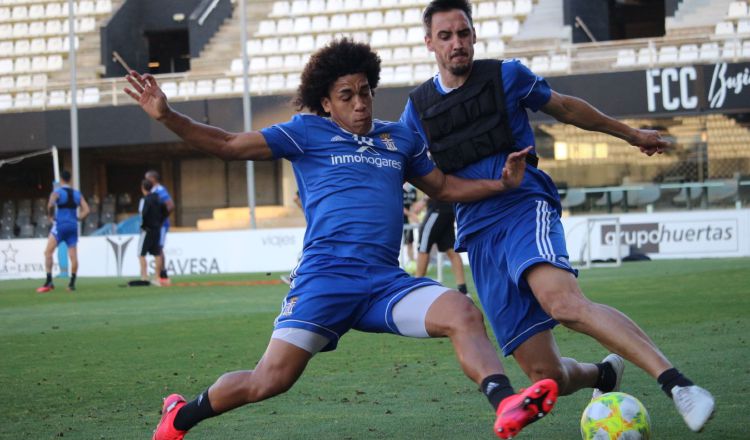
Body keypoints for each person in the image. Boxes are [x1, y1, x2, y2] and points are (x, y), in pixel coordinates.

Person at [125, 38, 557, 440]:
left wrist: (502, 185)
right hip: (325, 280)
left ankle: (504, 403)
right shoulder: (305, 132)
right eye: (346, 96)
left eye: (365, 91)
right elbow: (229, 144)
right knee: (269, 380)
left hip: (386, 283)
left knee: (462, 312)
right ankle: (180, 416)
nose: (360, 104)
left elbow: (444, 189)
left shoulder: (398, 138)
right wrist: (166, 115)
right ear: (326, 103)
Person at [400, 0, 714, 433]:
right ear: (429, 43)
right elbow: (411, 169)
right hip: (477, 235)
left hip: (524, 208)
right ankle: (603, 375)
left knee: (565, 304)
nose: (458, 44)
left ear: (474, 35)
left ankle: (678, 385)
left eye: (464, 33)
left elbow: (566, 108)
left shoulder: (507, 75)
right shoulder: (416, 109)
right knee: (547, 377)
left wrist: (633, 134)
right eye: (447, 36)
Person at [36, 170, 90, 293]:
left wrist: (50, 216)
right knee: (73, 256)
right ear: (70, 179)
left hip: (60, 226)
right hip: (72, 226)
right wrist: (77, 218)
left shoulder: (57, 192)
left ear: (61, 179)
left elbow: (50, 205)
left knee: (48, 252)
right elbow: (87, 210)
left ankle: (49, 281)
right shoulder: (77, 194)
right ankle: (71, 284)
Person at [412, 194, 468, 294]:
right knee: (451, 250)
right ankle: (463, 291)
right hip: (449, 208)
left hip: (437, 208)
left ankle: (416, 289)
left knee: (423, 247)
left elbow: (435, 180)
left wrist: (423, 200)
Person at [145, 169, 174, 285]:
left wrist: (161, 218)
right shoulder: (154, 191)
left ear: (153, 179)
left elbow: (170, 205)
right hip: (157, 225)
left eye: (147, 178)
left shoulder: (160, 190)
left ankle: (163, 275)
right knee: (158, 248)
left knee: (158, 248)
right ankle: (162, 274)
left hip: (161, 225)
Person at [138, 179, 167, 285]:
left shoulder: (145, 200)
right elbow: (165, 211)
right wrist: (160, 222)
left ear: (142, 188)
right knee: (157, 253)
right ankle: (157, 277)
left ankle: (144, 277)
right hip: (157, 229)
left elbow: (144, 214)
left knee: (141, 254)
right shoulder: (158, 198)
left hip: (147, 229)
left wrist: (144, 225)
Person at [401, 182, 419, 270]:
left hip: (408, 220)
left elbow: (414, 205)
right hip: (397, 218)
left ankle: (411, 262)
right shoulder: (398, 188)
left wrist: (413, 214)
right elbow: (399, 205)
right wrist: (411, 215)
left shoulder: (413, 190)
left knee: (410, 241)